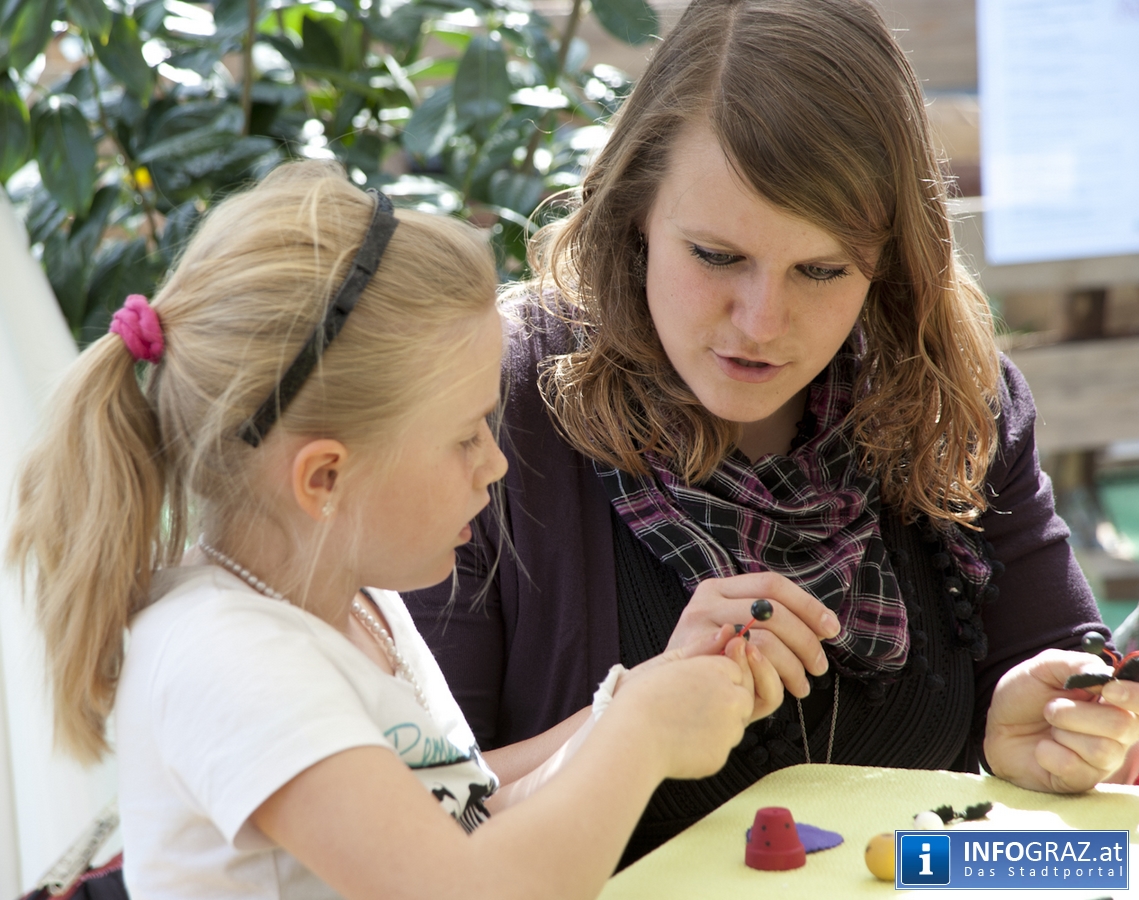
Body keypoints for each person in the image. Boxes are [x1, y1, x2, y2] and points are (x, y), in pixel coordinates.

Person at [406, 0, 1139, 866]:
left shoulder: (953, 401)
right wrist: (631, 716)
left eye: (821, 270)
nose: (760, 322)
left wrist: (1044, 733)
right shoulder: (489, 411)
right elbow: (410, 822)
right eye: (717, 256)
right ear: (633, 210)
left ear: (890, 258)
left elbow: (1056, 715)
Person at [6, 160, 772, 899]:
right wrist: (640, 735)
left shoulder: (348, 605)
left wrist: (641, 694)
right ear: (324, 479)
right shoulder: (229, 662)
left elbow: (466, 812)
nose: (495, 465)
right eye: (466, 436)